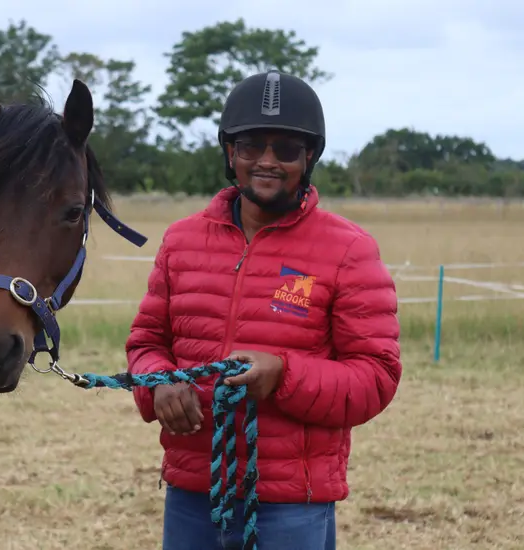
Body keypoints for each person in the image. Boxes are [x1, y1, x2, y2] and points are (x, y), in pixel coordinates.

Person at [124, 69, 402, 550]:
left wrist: (284, 375)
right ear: (231, 153)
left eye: (287, 149)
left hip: (292, 505)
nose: (267, 161)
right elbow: (147, 344)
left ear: (309, 156)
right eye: (252, 146)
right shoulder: (182, 241)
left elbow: (376, 377)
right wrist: (159, 384)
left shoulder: (350, 250)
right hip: (192, 492)